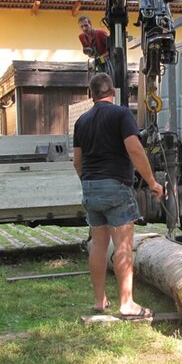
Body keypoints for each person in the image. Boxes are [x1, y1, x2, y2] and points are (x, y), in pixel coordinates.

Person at [73, 73, 164, 318]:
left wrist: (89, 183)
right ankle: (127, 303)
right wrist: (153, 182)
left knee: (99, 246)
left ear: (91, 94)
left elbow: (77, 161)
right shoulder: (122, 114)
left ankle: (99, 300)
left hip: (90, 187)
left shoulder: (81, 121)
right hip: (116, 186)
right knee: (123, 245)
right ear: (112, 91)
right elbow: (134, 149)